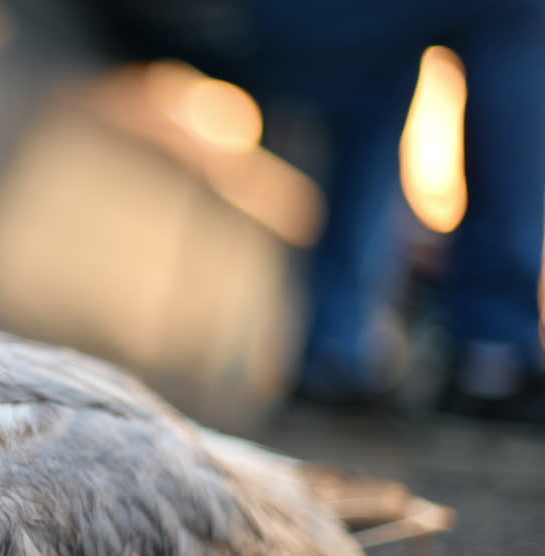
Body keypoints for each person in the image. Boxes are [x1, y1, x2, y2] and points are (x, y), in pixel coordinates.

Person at [68, 0, 545, 421]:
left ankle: (338, 353)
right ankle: (492, 352)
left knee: (381, 65)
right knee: (511, 7)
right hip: (217, 15)